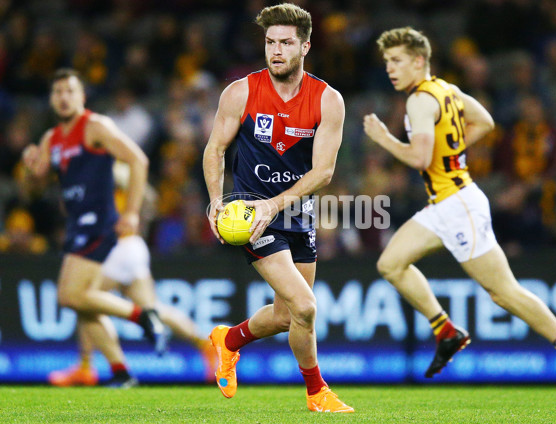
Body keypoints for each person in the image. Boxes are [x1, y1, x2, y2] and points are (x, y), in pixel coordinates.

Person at [363, 27, 556, 395]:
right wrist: (448, 152)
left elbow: (419, 157)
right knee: (390, 264)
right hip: (442, 203)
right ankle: (446, 330)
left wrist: (385, 139)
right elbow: (485, 121)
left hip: (459, 206)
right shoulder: (447, 90)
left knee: (503, 292)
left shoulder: (419, 101)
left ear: (419, 60)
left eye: (396, 61)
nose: (390, 69)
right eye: (387, 62)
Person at [203, 3, 353, 413]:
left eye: (286, 43)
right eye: (270, 42)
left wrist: (278, 204)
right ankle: (317, 392)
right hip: (251, 217)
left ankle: (228, 340)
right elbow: (215, 149)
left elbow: (323, 172)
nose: (276, 50)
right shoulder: (242, 92)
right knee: (306, 307)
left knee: (288, 315)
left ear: (305, 46)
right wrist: (218, 201)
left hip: (295, 214)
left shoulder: (328, 100)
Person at [22, 68, 168, 386]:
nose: (63, 97)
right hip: (76, 225)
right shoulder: (52, 138)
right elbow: (35, 187)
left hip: (100, 223)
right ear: (51, 99)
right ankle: (121, 372)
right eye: (57, 92)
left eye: (69, 91)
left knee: (70, 295)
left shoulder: (95, 126)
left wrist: (130, 211)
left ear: (82, 96)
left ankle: (143, 316)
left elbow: (138, 161)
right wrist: (31, 167)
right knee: (82, 302)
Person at [48, 233, 216, 387]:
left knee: (83, 297)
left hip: (115, 247)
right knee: (153, 309)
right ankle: (204, 342)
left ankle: (87, 367)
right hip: (132, 245)